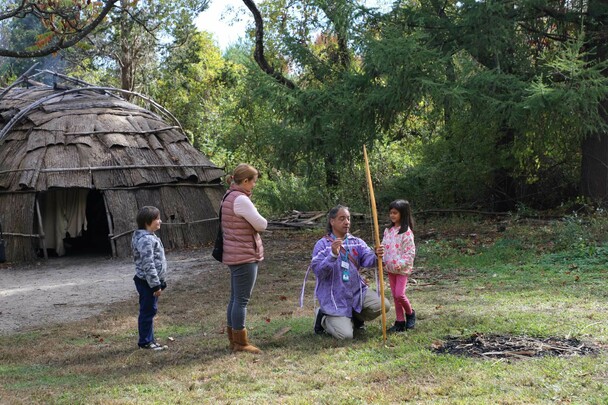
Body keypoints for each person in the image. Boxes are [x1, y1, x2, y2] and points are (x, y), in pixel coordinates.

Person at [310, 205, 391, 340]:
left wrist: (377, 255)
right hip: (335, 298)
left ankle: (355, 317)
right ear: (332, 221)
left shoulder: (356, 242)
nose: (346, 222)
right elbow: (318, 271)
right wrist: (332, 255)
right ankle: (323, 317)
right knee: (346, 335)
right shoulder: (322, 244)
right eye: (342, 219)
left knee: (383, 305)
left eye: (348, 218)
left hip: (356, 293)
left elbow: (368, 259)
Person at [222, 163, 268, 354]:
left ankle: (234, 340)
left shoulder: (228, 196)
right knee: (241, 300)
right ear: (246, 181)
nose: (254, 185)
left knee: (235, 298)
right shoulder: (241, 200)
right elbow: (262, 224)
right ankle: (240, 343)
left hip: (234, 253)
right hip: (244, 255)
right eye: (253, 181)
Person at [132, 206, 168, 350]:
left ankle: (150, 339)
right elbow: (148, 264)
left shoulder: (149, 237)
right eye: (157, 219)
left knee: (150, 310)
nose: (160, 221)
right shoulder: (146, 240)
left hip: (149, 281)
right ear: (148, 221)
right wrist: (155, 285)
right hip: (147, 282)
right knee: (148, 311)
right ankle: (145, 342)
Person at [382, 199, 416, 332]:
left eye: (395, 213)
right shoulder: (388, 231)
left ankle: (410, 313)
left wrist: (400, 264)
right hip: (390, 269)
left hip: (401, 269)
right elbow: (384, 246)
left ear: (403, 214)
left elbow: (410, 252)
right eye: (391, 213)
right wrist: (382, 256)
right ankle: (399, 321)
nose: (392, 215)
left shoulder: (406, 233)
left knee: (399, 294)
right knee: (395, 297)